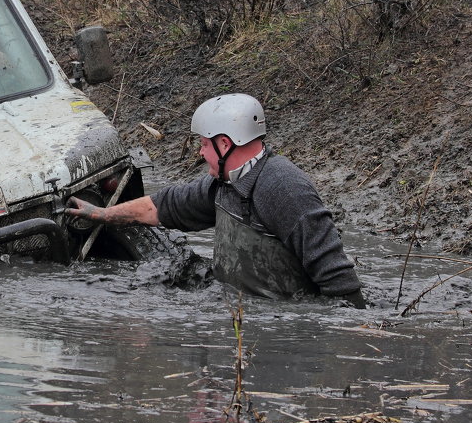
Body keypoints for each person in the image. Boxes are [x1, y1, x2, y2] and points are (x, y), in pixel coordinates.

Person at [66, 94, 367, 307]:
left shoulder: (284, 189)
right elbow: (160, 206)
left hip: (286, 325)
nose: (200, 153)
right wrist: (101, 214)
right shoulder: (223, 183)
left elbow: (339, 280)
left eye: (203, 144)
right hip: (241, 310)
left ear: (225, 143)